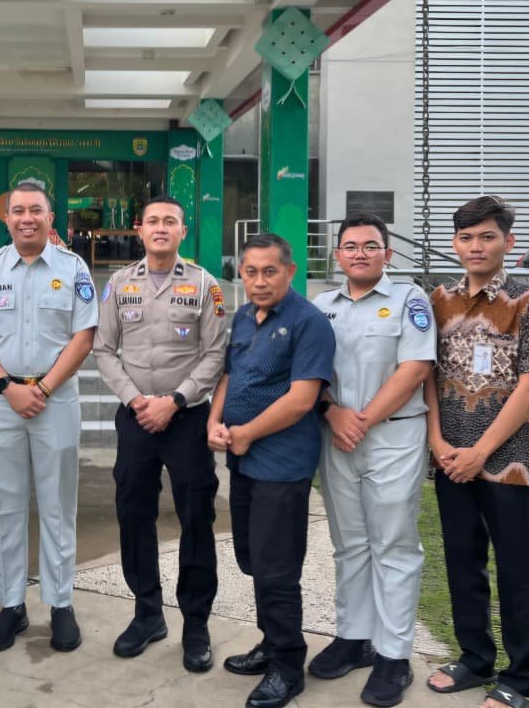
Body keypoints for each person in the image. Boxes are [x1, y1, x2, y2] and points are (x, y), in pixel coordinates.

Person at [424, 196, 529, 708]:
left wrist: (480, 451)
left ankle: (520, 678)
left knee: (516, 571)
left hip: (507, 463)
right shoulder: (438, 299)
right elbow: (427, 374)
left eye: (487, 236)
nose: (476, 246)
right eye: (466, 237)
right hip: (450, 460)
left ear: (508, 241)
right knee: (463, 562)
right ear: (455, 243)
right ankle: (475, 658)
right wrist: (437, 441)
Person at [0, 180, 98, 653]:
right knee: (4, 505)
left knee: (58, 506)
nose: (26, 218)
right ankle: (11, 604)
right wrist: (8, 387)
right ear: (6, 218)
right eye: (17, 210)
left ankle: (61, 604)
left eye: (36, 210)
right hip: (0, 400)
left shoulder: (73, 268)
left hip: (54, 399)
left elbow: (83, 337)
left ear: (50, 218)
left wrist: (40, 389)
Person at [92, 195, 228, 672]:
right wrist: (136, 401)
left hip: (186, 418)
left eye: (171, 221)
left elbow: (215, 353)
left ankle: (196, 623)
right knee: (133, 513)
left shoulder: (205, 284)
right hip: (136, 417)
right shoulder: (119, 283)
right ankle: (147, 613)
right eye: (153, 221)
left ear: (183, 231)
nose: (161, 227)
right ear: (139, 229)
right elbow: (103, 348)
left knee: (196, 517)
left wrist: (174, 401)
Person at [310, 215, 436, 707]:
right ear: (337, 255)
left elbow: (415, 368)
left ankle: (393, 654)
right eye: (350, 246)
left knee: (394, 545)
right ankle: (354, 637)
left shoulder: (409, 300)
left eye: (370, 245)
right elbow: (309, 372)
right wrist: (332, 412)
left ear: (388, 253)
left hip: (392, 436)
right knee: (350, 543)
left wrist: (360, 419)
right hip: (336, 435)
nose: (359, 253)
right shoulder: (322, 306)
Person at [209, 234, 335, 708]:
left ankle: (287, 665)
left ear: (290, 271)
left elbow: (302, 400)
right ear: (240, 273)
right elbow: (229, 376)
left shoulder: (309, 322)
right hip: (243, 461)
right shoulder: (243, 316)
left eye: (270, 271)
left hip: (281, 465)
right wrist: (214, 422)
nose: (259, 281)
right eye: (251, 272)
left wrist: (246, 433)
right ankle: (271, 641)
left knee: (277, 569)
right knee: (252, 559)